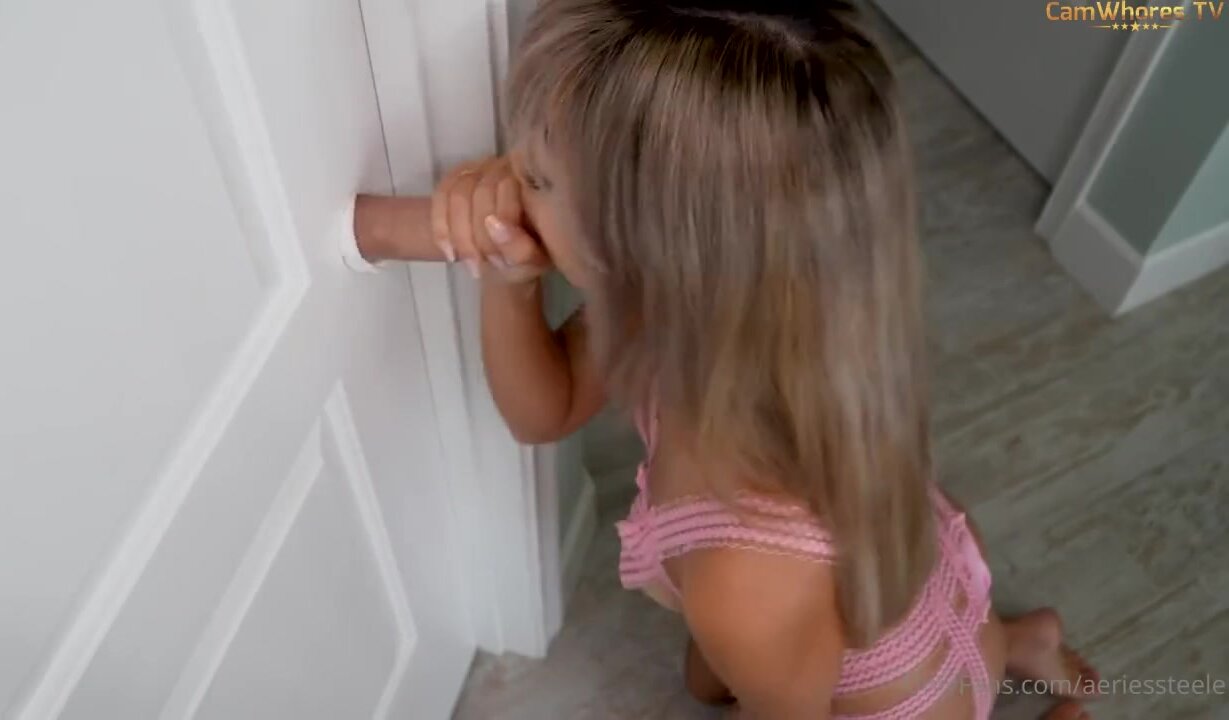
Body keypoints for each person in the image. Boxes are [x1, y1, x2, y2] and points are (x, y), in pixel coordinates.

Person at [351, 1, 1100, 717]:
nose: (506, 184)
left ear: (650, 250)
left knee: (727, 679)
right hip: (911, 603)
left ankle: (994, 661)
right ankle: (1015, 642)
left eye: (538, 179)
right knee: (711, 679)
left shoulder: (747, 582)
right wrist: (501, 278)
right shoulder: (734, 306)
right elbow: (545, 410)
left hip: (898, 699)